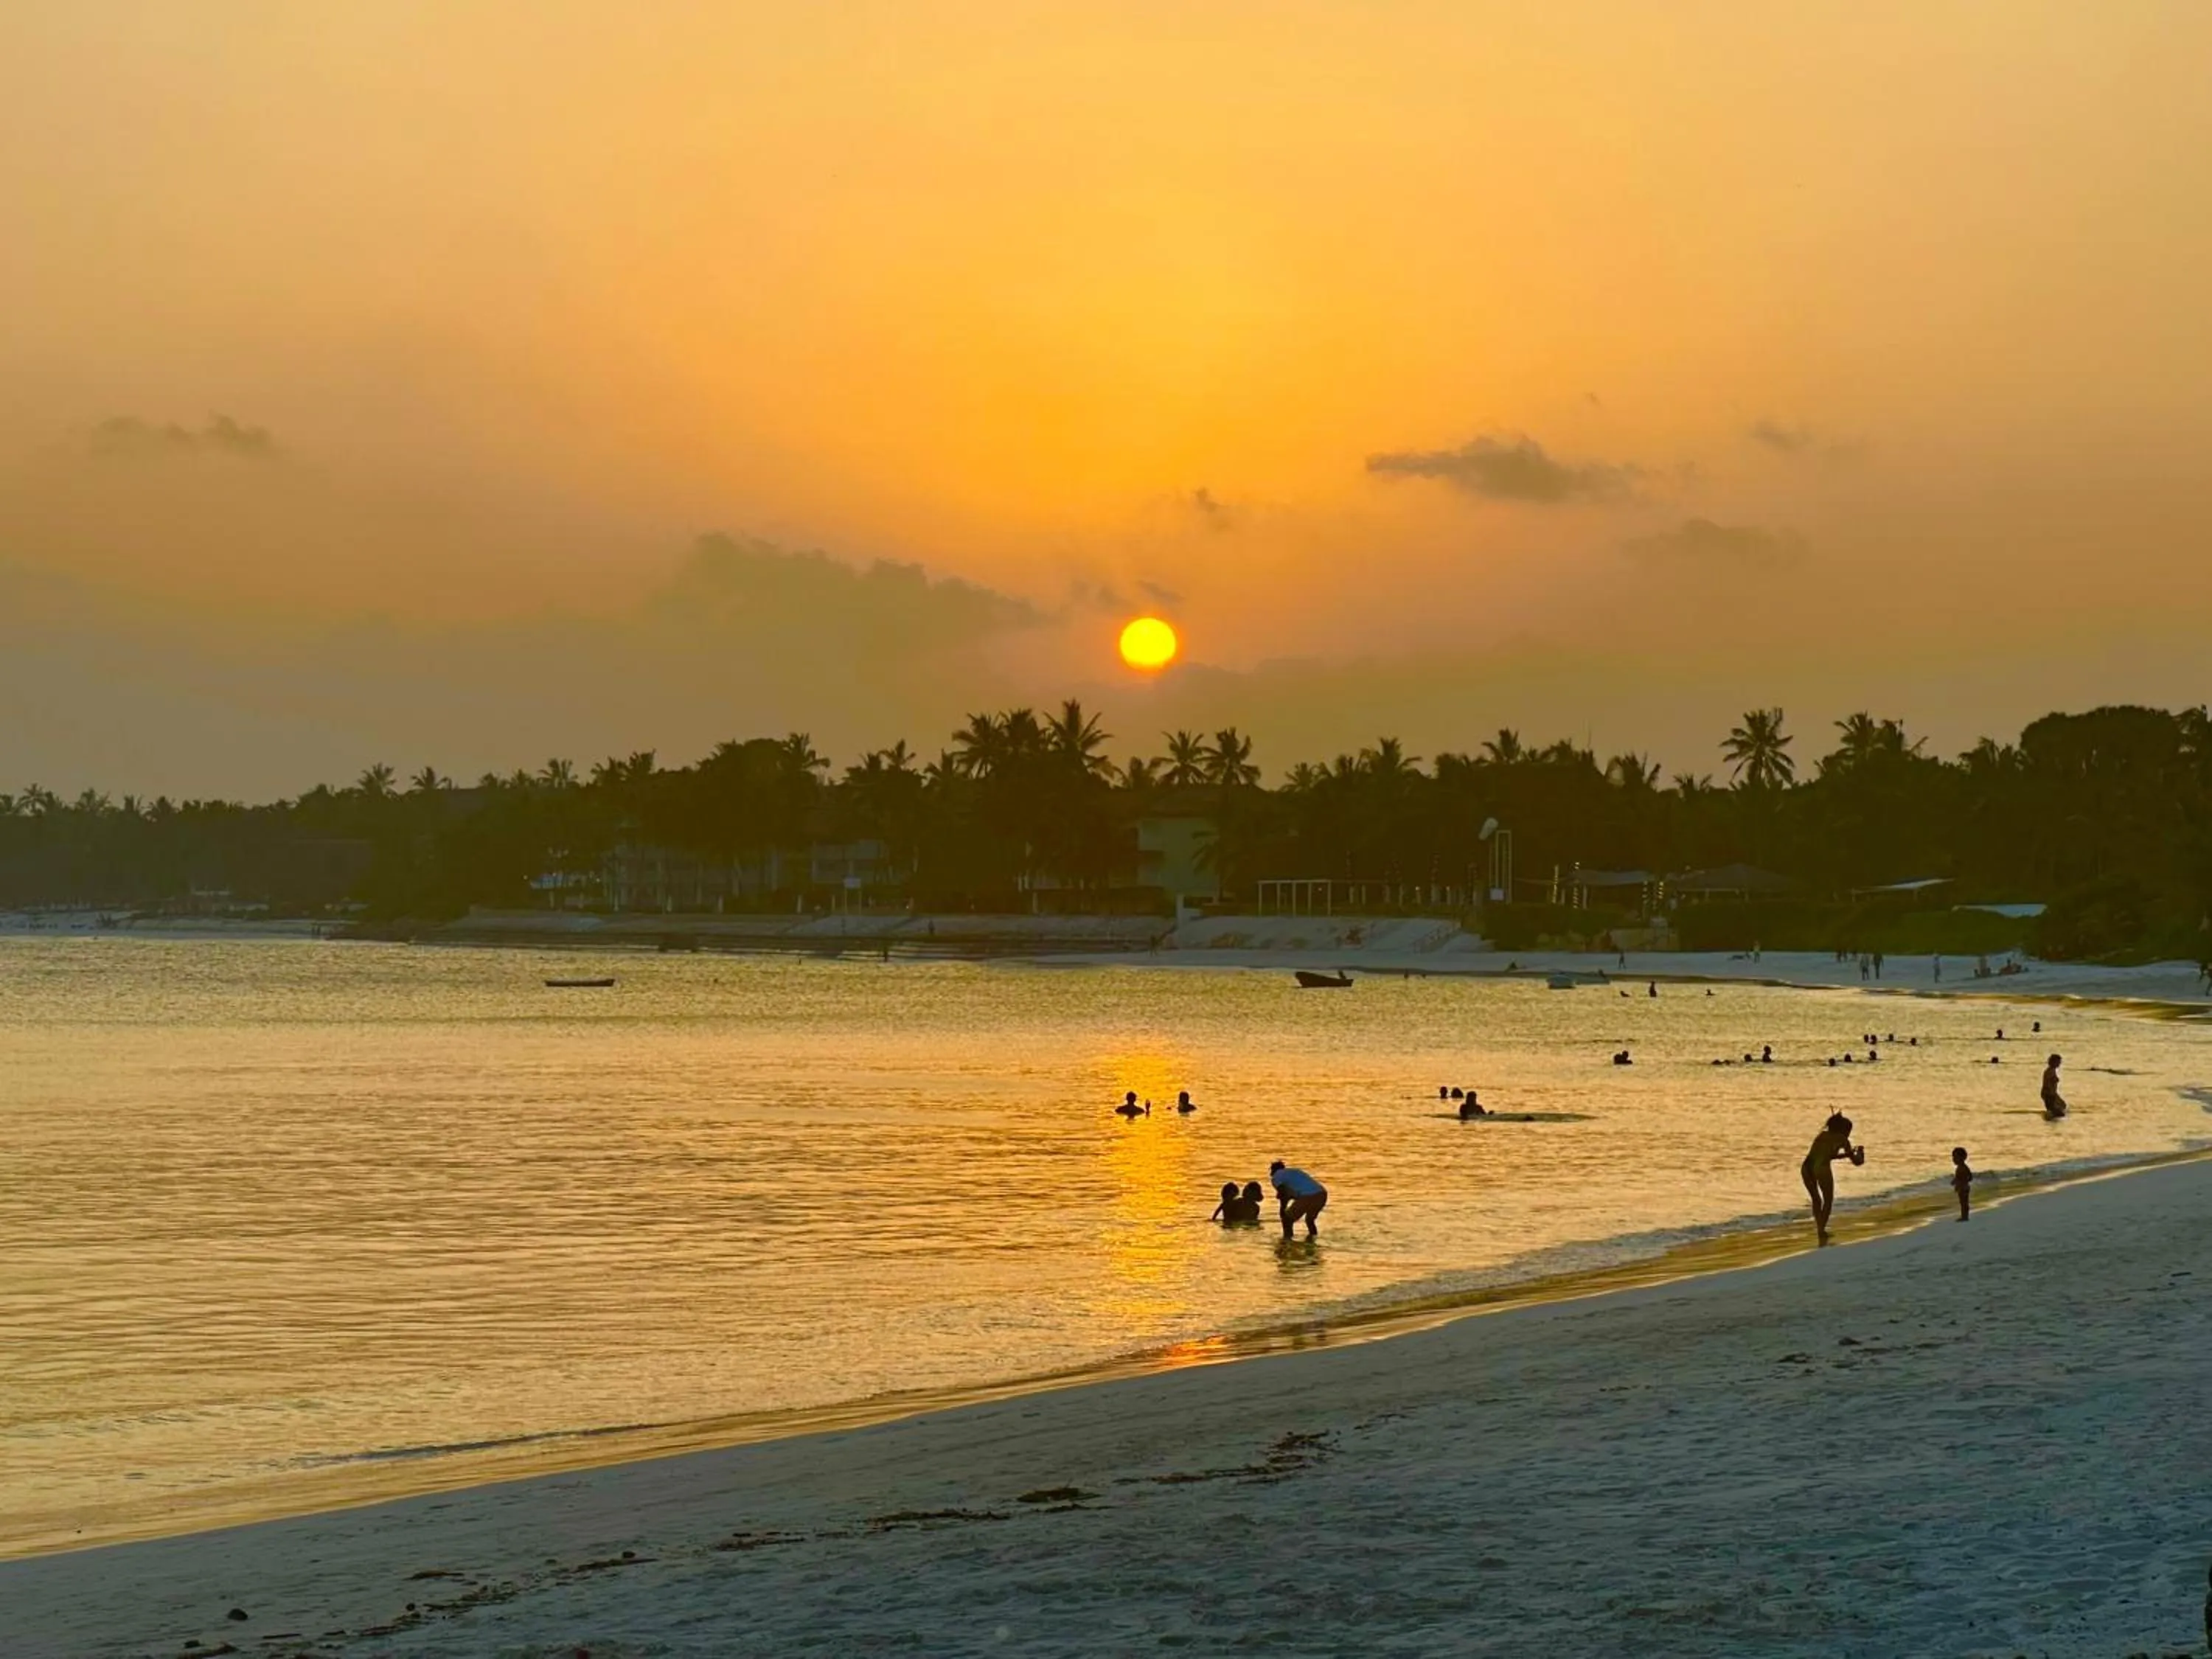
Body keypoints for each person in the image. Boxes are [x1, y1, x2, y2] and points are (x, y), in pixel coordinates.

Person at [1801, 1112, 1865, 1246]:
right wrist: (1859, 1154)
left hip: (1807, 1167)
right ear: (1844, 1130)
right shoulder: (1842, 1140)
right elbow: (1857, 1162)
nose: (1848, 1134)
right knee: (1828, 1200)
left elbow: (1826, 1155)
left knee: (1816, 1200)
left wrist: (1845, 1155)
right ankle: (1821, 1230)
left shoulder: (1822, 1136)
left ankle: (1820, 1228)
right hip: (1822, 1168)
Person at [1268, 1160, 1328, 1238]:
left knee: (1287, 1221)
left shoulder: (1276, 1177)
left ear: (1273, 1171)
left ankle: (1286, 1243)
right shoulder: (1295, 1171)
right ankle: (1312, 1240)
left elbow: (1283, 1193)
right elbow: (1293, 1192)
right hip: (1321, 1194)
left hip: (1308, 1195)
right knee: (1310, 1221)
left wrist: (1282, 1210)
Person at [1950, 1147, 1975, 1221]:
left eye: (1955, 1157)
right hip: (1964, 1187)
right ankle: (1964, 1216)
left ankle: (1965, 1217)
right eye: (1953, 1157)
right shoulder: (1962, 1167)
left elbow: (1967, 1177)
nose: (1953, 1159)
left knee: (1964, 1203)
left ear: (1962, 1158)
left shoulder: (1962, 1168)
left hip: (1963, 1188)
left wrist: (1957, 1182)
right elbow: (1970, 1177)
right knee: (1963, 1203)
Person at [2041, 1054, 2067, 1119]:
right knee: (2057, 1112)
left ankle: (2052, 1114)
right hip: (2049, 1094)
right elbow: (2047, 1084)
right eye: (2058, 1062)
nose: (2059, 1064)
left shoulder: (2053, 1071)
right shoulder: (2049, 1071)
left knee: (2063, 1106)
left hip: (2053, 1093)